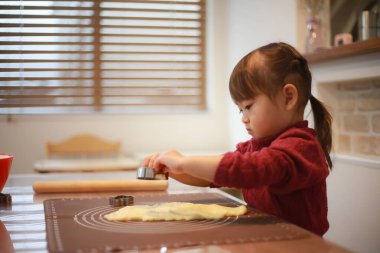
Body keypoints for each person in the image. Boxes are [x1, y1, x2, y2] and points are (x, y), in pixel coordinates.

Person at [143, 42, 332, 236]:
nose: (244, 117)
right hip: (268, 242)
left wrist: (183, 162)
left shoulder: (300, 147)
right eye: (240, 109)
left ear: (288, 97)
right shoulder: (256, 147)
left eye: (249, 106)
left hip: (301, 246)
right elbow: (211, 177)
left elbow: (249, 168)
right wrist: (172, 169)